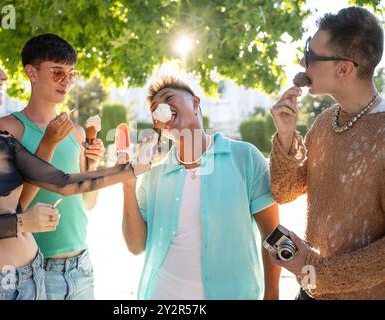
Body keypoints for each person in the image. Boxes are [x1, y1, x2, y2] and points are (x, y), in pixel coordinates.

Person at [0, 31, 154, 300]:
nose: (3, 75)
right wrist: (20, 222)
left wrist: (134, 168)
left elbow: (63, 182)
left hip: (33, 278)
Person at [121, 76, 280, 300]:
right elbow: (136, 246)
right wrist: (129, 185)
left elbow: (272, 234)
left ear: (196, 103)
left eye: (169, 98)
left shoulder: (245, 157)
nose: (160, 108)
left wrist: (272, 294)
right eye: (154, 109)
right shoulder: (154, 175)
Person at [269, 6, 385, 300]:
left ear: (344, 69)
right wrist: (285, 136)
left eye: (311, 57)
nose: (301, 62)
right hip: (310, 290)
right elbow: (284, 192)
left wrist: (314, 267)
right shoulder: (324, 122)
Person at [0, 34, 104, 300]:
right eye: (57, 73)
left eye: (71, 74)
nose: (66, 81)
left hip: (81, 268)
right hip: (33, 269)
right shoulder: (6, 129)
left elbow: (87, 203)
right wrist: (48, 143)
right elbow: (6, 210)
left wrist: (93, 166)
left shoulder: (76, 133)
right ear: (31, 72)